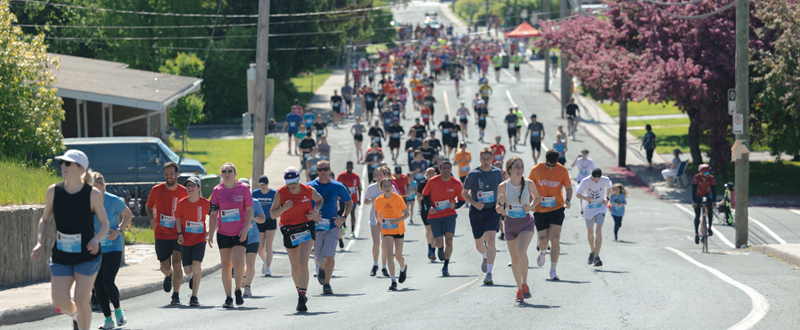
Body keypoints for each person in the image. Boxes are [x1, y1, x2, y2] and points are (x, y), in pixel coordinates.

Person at [30, 150, 109, 330]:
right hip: (61, 254)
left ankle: (82, 325)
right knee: (60, 303)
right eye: (62, 163)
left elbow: (105, 224)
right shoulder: (53, 191)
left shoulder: (93, 194)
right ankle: (75, 317)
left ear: (81, 169)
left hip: (87, 254)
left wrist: (97, 239)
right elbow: (44, 220)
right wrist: (39, 242)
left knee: (82, 300)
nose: (63, 167)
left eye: (68, 164)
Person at [270, 167, 324, 311]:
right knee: (294, 267)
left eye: (294, 182)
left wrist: (315, 212)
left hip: (306, 227)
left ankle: (301, 298)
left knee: (302, 263)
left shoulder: (308, 190)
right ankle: (300, 291)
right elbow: (273, 215)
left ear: (298, 178)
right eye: (289, 183)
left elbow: (320, 200)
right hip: (289, 230)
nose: (292, 185)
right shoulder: (280, 193)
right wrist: (283, 208)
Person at [207, 163, 254, 308]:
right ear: (221, 174)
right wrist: (210, 233)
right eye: (224, 171)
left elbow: (250, 212)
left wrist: (246, 229)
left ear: (235, 173)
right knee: (226, 266)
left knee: (239, 263)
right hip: (223, 232)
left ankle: (238, 290)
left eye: (230, 171)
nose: (227, 173)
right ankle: (228, 297)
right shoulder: (217, 191)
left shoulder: (243, 189)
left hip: (240, 232)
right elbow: (213, 213)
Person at [91, 172, 132, 328]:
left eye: (97, 188)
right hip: (96, 249)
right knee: (98, 285)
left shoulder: (113, 200)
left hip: (113, 247)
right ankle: (108, 319)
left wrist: (118, 231)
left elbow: (128, 215)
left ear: (103, 187)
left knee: (107, 280)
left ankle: (118, 311)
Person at [496, 157, 540, 302]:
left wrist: (531, 206)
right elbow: (498, 210)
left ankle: (525, 282)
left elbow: (537, 198)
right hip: (509, 223)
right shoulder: (503, 186)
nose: (520, 169)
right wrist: (501, 204)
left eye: (521, 166)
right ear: (509, 170)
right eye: (516, 167)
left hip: (526, 223)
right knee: (514, 259)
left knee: (521, 251)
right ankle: (519, 289)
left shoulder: (529, 183)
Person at [145, 162, 188, 305]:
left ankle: (176, 295)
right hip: (161, 233)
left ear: (177, 174)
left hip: (178, 233)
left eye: (171, 174)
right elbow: (149, 206)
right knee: (164, 266)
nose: (169, 177)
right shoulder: (156, 190)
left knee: (177, 264)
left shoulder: (183, 191)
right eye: (166, 174)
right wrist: (152, 219)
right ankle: (167, 275)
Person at [307, 161, 353, 294]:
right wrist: (311, 216)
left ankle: (327, 284)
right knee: (319, 258)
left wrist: (343, 217)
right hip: (316, 227)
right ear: (317, 170)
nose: (323, 172)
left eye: (325, 169)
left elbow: (349, 202)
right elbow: (303, 204)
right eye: (320, 169)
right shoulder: (310, 187)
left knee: (330, 255)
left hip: (333, 225)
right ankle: (321, 268)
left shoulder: (337, 186)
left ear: (329, 170)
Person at [528, 149, 573, 281]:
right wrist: (531, 203)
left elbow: (568, 188)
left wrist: (568, 200)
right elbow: (529, 187)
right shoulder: (536, 170)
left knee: (555, 238)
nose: (551, 167)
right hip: (540, 209)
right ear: (545, 160)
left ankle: (553, 270)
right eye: (548, 165)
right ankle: (542, 252)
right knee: (543, 242)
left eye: (553, 165)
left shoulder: (562, 170)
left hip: (557, 208)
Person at [462, 148, 505, 285]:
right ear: (479, 159)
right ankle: (485, 255)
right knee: (479, 244)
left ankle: (489, 273)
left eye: (488, 159)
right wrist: (474, 203)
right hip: (477, 211)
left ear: (492, 159)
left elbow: (502, 189)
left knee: (492, 240)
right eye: (483, 159)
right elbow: (464, 193)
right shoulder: (473, 174)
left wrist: (502, 203)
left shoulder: (497, 172)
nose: (486, 161)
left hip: (492, 210)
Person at [421, 160, 466, 276]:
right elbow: (425, 195)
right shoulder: (432, 181)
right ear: (439, 170)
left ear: (451, 170)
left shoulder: (456, 183)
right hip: (435, 215)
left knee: (449, 241)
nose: (446, 170)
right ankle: (440, 249)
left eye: (448, 168)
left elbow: (462, 200)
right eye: (444, 168)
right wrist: (429, 206)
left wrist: (455, 205)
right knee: (439, 241)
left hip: (449, 215)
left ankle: (445, 266)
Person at [174, 176, 209, 307]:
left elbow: (214, 216)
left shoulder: (205, 203)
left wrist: (210, 232)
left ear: (199, 188)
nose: (190, 188)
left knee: (196, 266)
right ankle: (194, 277)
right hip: (186, 240)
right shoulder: (182, 203)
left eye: (193, 185)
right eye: (188, 186)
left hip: (200, 239)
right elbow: (178, 219)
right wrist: (180, 234)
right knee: (188, 271)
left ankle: (194, 296)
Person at [374, 178, 410, 291]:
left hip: (398, 229)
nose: (387, 188)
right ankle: (393, 280)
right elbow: (376, 212)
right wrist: (377, 221)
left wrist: (397, 220)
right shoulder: (378, 200)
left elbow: (406, 214)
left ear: (392, 187)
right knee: (389, 254)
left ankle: (403, 267)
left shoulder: (398, 198)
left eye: (388, 185)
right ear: (381, 188)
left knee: (398, 256)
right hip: (387, 230)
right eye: (384, 186)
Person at [235, 178, 266, 298]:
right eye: (243, 188)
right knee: (239, 263)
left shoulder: (255, 202)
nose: (245, 190)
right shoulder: (234, 202)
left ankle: (248, 287)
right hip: (238, 236)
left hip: (253, 236)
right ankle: (243, 277)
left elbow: (262, 218)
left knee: (250, 263)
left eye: (248, 188)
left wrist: (253, 218)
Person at [576, 169, 612, 267]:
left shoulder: (605, 179)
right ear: (591, 176)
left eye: (598, 179)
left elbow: (609, 187)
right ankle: (592, 250)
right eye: (594, 179)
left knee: (598, 231)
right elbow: (577, 194)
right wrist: (585, 198)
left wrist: (607, 198)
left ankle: (596, 257)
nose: (596, 181)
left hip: (601, 208)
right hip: (589, 209)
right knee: (590, 233)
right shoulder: (585, 181)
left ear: (601, 176)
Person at [364, 167, 396, 276]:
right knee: (376, 242)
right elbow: (365, 201)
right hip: (375, 219)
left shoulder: (390, 187)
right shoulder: (371, 188)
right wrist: (370, 200)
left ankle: (384, 267)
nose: (379, 177)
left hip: (388, 219)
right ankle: (375, 264)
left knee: (384, 245)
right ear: (374, 176)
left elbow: (397, 200)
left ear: (385, 175)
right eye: (377, 175)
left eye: (381, 174)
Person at [252, 175, 277, 277]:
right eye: (261, 185)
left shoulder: (274, 193)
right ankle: (265, 261)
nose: (263, 187)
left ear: (267, 184)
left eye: (264, 184)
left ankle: (268, 268)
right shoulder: (255, 193)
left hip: (271, 220)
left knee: (269, 246)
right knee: (260, 247)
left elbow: (278, 205)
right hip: (259, 220)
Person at [692, 164, 717, 244]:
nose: (707, 174)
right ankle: (696, 234)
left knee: (710, 209)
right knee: (697, 215)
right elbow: (693, 191)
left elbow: (714, 191)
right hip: (698, 196)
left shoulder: (711, 178)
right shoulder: (696, 178)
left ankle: (709, 227)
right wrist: (694, 202)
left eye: (708, 172)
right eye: (705, 173)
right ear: (701, 173)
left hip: (707, 194)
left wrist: (713, 201)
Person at [338, 162, 362, 238]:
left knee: (352, 214)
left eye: (350, 167)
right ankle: (344, 226)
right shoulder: (341, 176)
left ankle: (352, 231)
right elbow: (337, 187)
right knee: (343, 213)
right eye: (348, 166)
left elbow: (359, 188)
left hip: (353, 199)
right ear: (346, 167)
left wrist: (359, 199)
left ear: (352, 167)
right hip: (343, 199)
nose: (349, 168)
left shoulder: (356, 176)